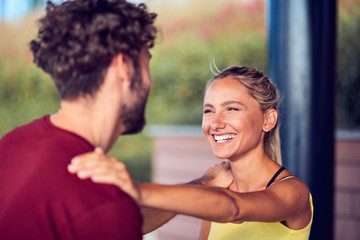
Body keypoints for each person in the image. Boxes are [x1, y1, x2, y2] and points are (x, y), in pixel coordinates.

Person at [68, 66, 313, 239]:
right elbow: (136, 226)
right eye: (209, 110)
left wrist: (136, 188)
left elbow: (234, 209)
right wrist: (204, 183)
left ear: (268, 120)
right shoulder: (215, 192)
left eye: (232, 108)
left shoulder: (293, 192)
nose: (215, 123)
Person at [0, 0, 157, 239]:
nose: (148, 82)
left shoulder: (11, 145)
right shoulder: (103, 203)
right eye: (147, 63)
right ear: (124, 67)